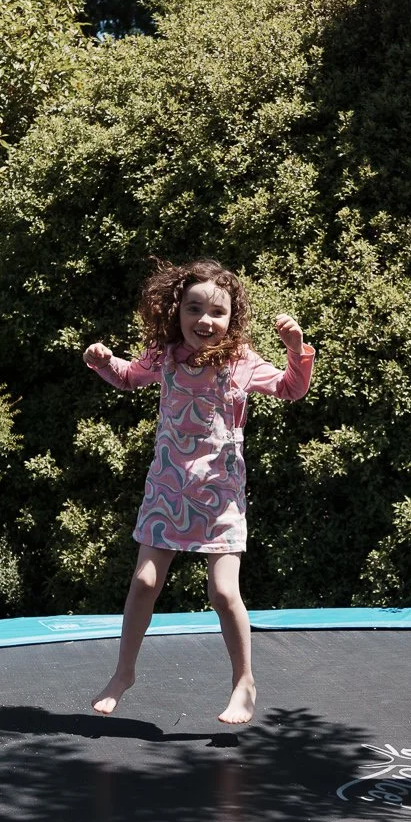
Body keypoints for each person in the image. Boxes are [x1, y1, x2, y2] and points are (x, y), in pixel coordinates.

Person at [83, 258, 314, 724]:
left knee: (224, 592)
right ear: (177, 311)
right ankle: (123, 672)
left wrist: (296, 348)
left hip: (219, 493)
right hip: (168, 486)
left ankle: (244, 682)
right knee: (145, 581)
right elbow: (129, 377)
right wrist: (104, 363)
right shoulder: (165, 355)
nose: (204, 321)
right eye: (194, 309)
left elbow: (292, 388)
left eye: (216, 313)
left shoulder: (240, 362)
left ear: (232, 319)